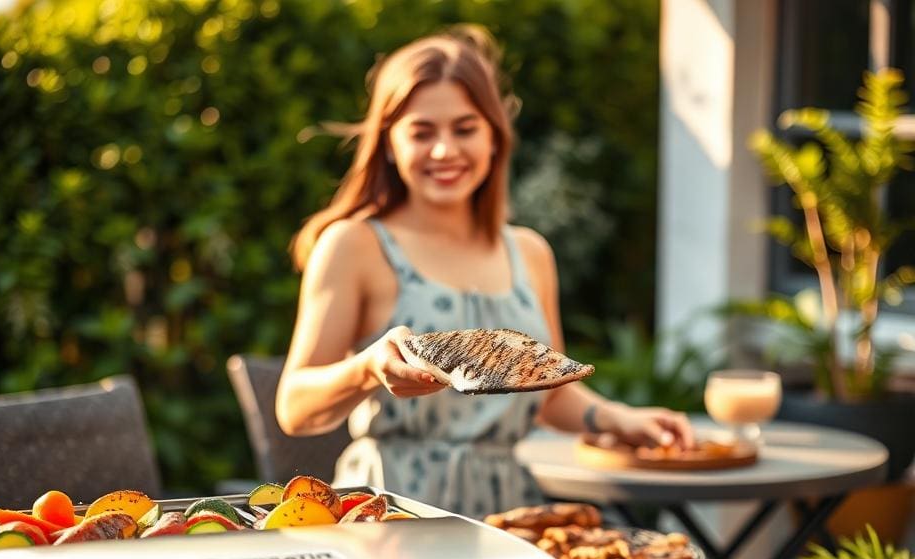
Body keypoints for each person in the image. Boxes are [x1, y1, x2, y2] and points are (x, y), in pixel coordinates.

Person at [276, 26, 693, 518]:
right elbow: (295, 409)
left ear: (495, 135)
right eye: (422, 132)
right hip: (389, 515)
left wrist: (616, 418)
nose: (444, 150)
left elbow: (547, 393)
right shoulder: (354, 245)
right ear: (389, 143)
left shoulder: (530, 252)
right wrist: (368, 368)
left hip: (507, 515)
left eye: (465, 128)